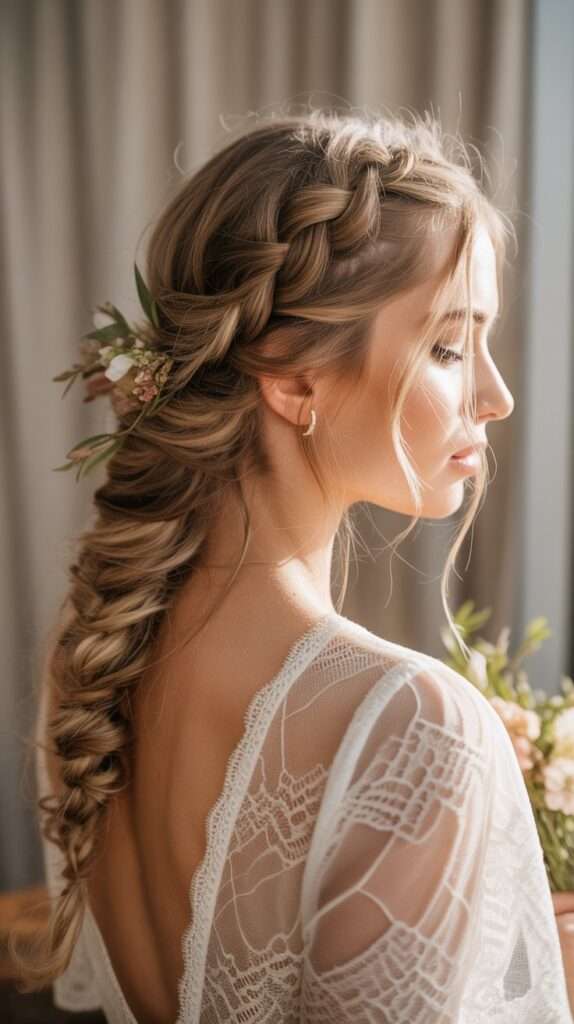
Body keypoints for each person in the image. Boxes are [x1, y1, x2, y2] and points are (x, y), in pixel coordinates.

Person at [11, 107, 574, 1021]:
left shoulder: (91, 654)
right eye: (445, 346)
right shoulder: (410, 727)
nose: (497, 396)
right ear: (292, 377)